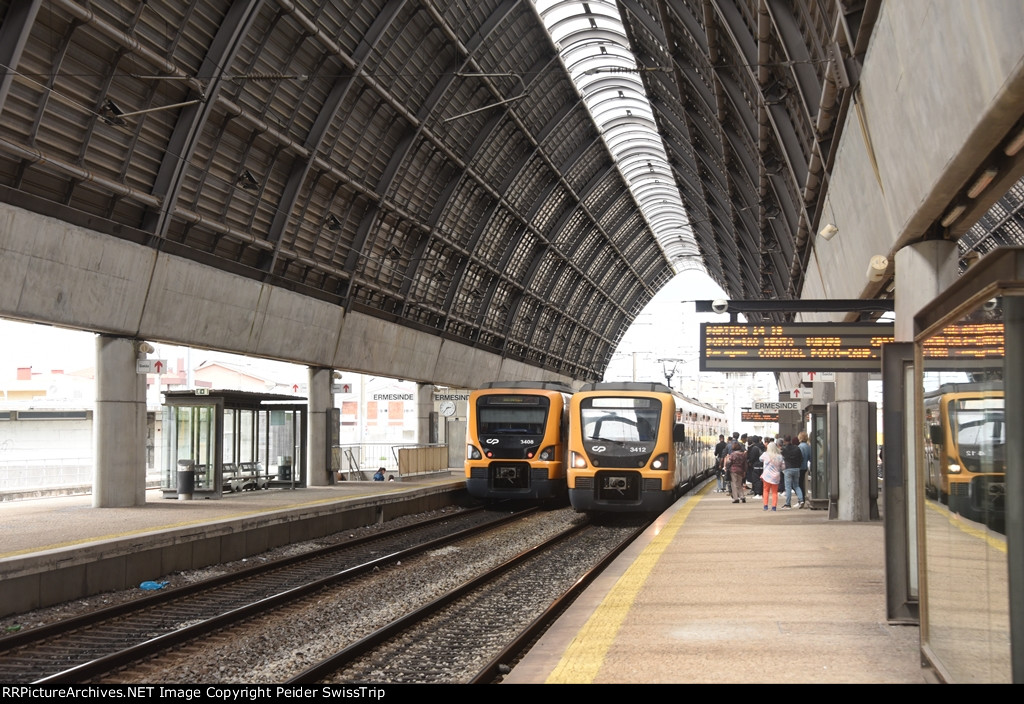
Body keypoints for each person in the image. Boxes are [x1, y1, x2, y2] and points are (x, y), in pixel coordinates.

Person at [759, 441, 784, 511]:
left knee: (766, 490)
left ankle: (765, 506)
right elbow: (783, 467)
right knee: (774, 492)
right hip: (776, 476)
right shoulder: (780, 456)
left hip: (766, 475)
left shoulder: (765, 454)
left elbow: (760, 459)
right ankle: (774, 507)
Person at [781, 436, 805, 509]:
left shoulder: (784, 450)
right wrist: (798, 465)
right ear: (790, 440)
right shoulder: (797, 448)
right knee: (796, 485)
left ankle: (788, 503)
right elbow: (801, 458)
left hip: (788, 469)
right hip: (796, 469)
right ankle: (801, 500)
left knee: (788, 487)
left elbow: (781, 459)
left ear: (784, 441)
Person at [726, 438, 747, 503]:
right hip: (740, 470)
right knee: (739, 484)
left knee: (734, 484)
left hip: (734, 470)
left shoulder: (732, 454)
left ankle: (736, 498)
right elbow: (744, 463)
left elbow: (729, 462)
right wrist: (744, 471)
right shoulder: (742, 454)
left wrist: (727, 467)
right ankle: (742, 496)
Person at [798, 431, 812, 504]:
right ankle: (802, 498)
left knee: (798, 484)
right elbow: (810, 458)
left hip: (800, 467)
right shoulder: (808, 446)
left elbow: (800, 457)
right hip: (805, 467)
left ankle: (801, 499)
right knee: (801, 483)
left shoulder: (800, 446)